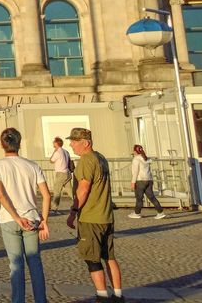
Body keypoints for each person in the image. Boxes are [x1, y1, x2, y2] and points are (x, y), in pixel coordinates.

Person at [0, 128, 50, 303]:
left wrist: (16, 217)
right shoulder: (32, 166)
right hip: (32, 218)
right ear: (19, 143)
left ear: (2, 144)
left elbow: (0, 195)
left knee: (15, 265)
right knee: (35, 263)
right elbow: (46, 195)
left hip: (10, 219)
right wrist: (44, 220)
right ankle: (41, 300)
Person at [65, 127, 124, 303]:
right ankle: (118, 295)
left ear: (86, 143)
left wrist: (73, 211)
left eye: (75, 141)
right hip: (106, 216)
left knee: (92, 258)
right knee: (109, 257)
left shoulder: (86, 160)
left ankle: (102, 296)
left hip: (91, 217)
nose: (71, 144)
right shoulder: (101, 158)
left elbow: (83, 188)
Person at [129, 145, 166, 220]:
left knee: (139, 198)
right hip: (149, 180)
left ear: (135, 151)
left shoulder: (136, 159)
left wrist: (133, 182)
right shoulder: (146, 158)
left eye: (133, 150)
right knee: (152, 197)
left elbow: (135, 172)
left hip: (140, 181)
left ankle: (137, 213)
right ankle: (160, 212)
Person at [49, 137, 73, 213]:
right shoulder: (66, 152)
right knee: (70, 191)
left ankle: (54, 208)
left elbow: (51, 160)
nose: (53, 144)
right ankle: (80, 204)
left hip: (60, 174)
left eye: (53, 142)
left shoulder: (58, 152)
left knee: (57, 191)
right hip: (67, 172)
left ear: (56, 143)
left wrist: (54, 151)